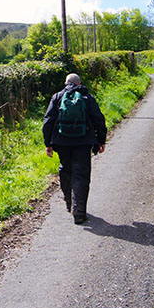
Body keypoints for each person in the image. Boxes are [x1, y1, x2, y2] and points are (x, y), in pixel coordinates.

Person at [43, 73, 107, 224]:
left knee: (66, 169)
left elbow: (48, 121)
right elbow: (99, 119)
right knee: (81, 175)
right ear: (79, 83)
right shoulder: (87, 98)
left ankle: (69, 202)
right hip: (83, 142)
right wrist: (101, 140)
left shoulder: (57, 97)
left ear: (66, 84)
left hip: (62, 141)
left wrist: (48, 143)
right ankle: (79, 212)